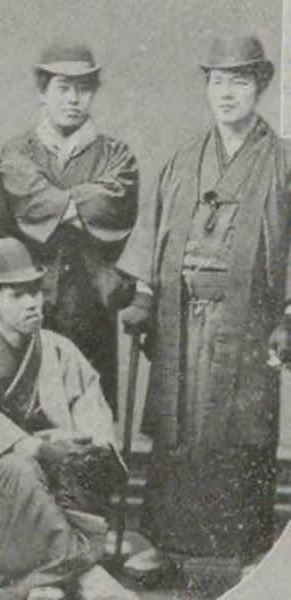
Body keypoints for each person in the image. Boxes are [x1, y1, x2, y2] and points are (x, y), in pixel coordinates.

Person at [117, 34, 291, 581]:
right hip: (181, 318)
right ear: (206, 87)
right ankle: (166, 545)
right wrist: (143, 296)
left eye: (239, 80)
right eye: (218, 81)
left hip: (248, 324)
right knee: (177, 429)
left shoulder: (283, 162)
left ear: (260, 86)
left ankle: (238, 549)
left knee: (239, 429)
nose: (227, 92)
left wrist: (289, 318)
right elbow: (151, 234)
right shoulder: (184, 158)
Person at [0, 237, 138, 599]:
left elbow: (90, 406)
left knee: (80, 459)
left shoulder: (58, 348)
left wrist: (88, 442)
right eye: (17, 295)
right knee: (15, 468)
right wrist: (38, 448)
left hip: (43, 483)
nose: (33, 303)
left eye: (36, 291)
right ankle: (84, 573)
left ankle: (39, 580)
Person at [0, 42, 138, 417]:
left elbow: (113, 204)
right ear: (42, 91)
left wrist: (52, 203)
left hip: (92, 300)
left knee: (89, 413)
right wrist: (84, 204)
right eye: (63, 88)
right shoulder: (17, 152)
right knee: (27, 413)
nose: (74, 99)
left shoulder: (117, 155)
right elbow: (25, 199)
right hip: (28, 295)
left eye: (84, 89)